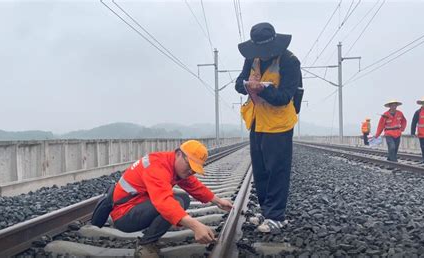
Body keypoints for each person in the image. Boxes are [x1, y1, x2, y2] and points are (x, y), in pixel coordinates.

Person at [109, 140, 233, 258]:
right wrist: (196, 226)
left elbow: (194, 186)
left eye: (194, 169)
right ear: (179, 154)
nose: (191, 171)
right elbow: (164, 202)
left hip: (138, 205)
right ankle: (145, 246)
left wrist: (219, 201)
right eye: (189, 165)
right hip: (124, 215)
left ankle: (152, 236)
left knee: (183, 198)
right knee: (175, 203)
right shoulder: (157, 166)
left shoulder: (173, 164)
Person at [234, 22, 301, 234]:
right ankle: (266, 211)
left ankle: (277, 216)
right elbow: (238, 84)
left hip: (279, 125)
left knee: (277, 171)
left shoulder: (290, 61)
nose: (260, 56)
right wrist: (247, 84)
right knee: (261, 170)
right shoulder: (251, 58)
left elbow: (284, 97)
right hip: (257, 122)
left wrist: (261, 89)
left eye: (264, 52)